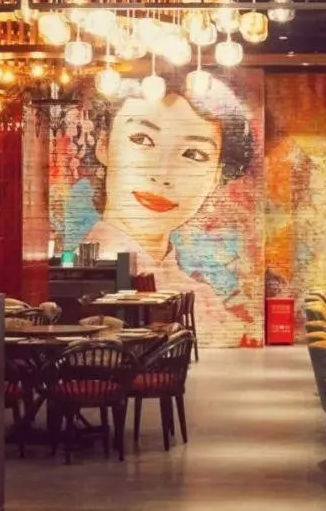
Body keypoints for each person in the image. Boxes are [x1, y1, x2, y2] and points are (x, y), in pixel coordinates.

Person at [79, 74, 254, 335]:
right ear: (104, 145)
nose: (162, 174)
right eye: (142, 139)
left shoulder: (204, 301)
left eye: (193, 154)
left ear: (215, 177)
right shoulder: (93, 281)